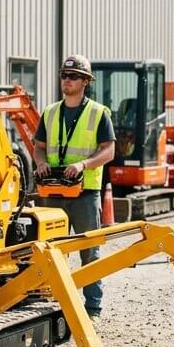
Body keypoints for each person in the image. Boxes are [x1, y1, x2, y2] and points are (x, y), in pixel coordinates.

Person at [33, 54, 115, 318]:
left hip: (84, 193)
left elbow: (109, 151)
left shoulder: (98, 113)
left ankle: (92, 308)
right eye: (64, 76)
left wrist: (84, 165)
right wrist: (41, 162)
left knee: (89, 252)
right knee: (49, 252)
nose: (66, 80)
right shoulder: (50, 112)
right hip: (52, 192)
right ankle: (53, 304)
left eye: (73, 77)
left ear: (85, 82)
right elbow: (39, 148)